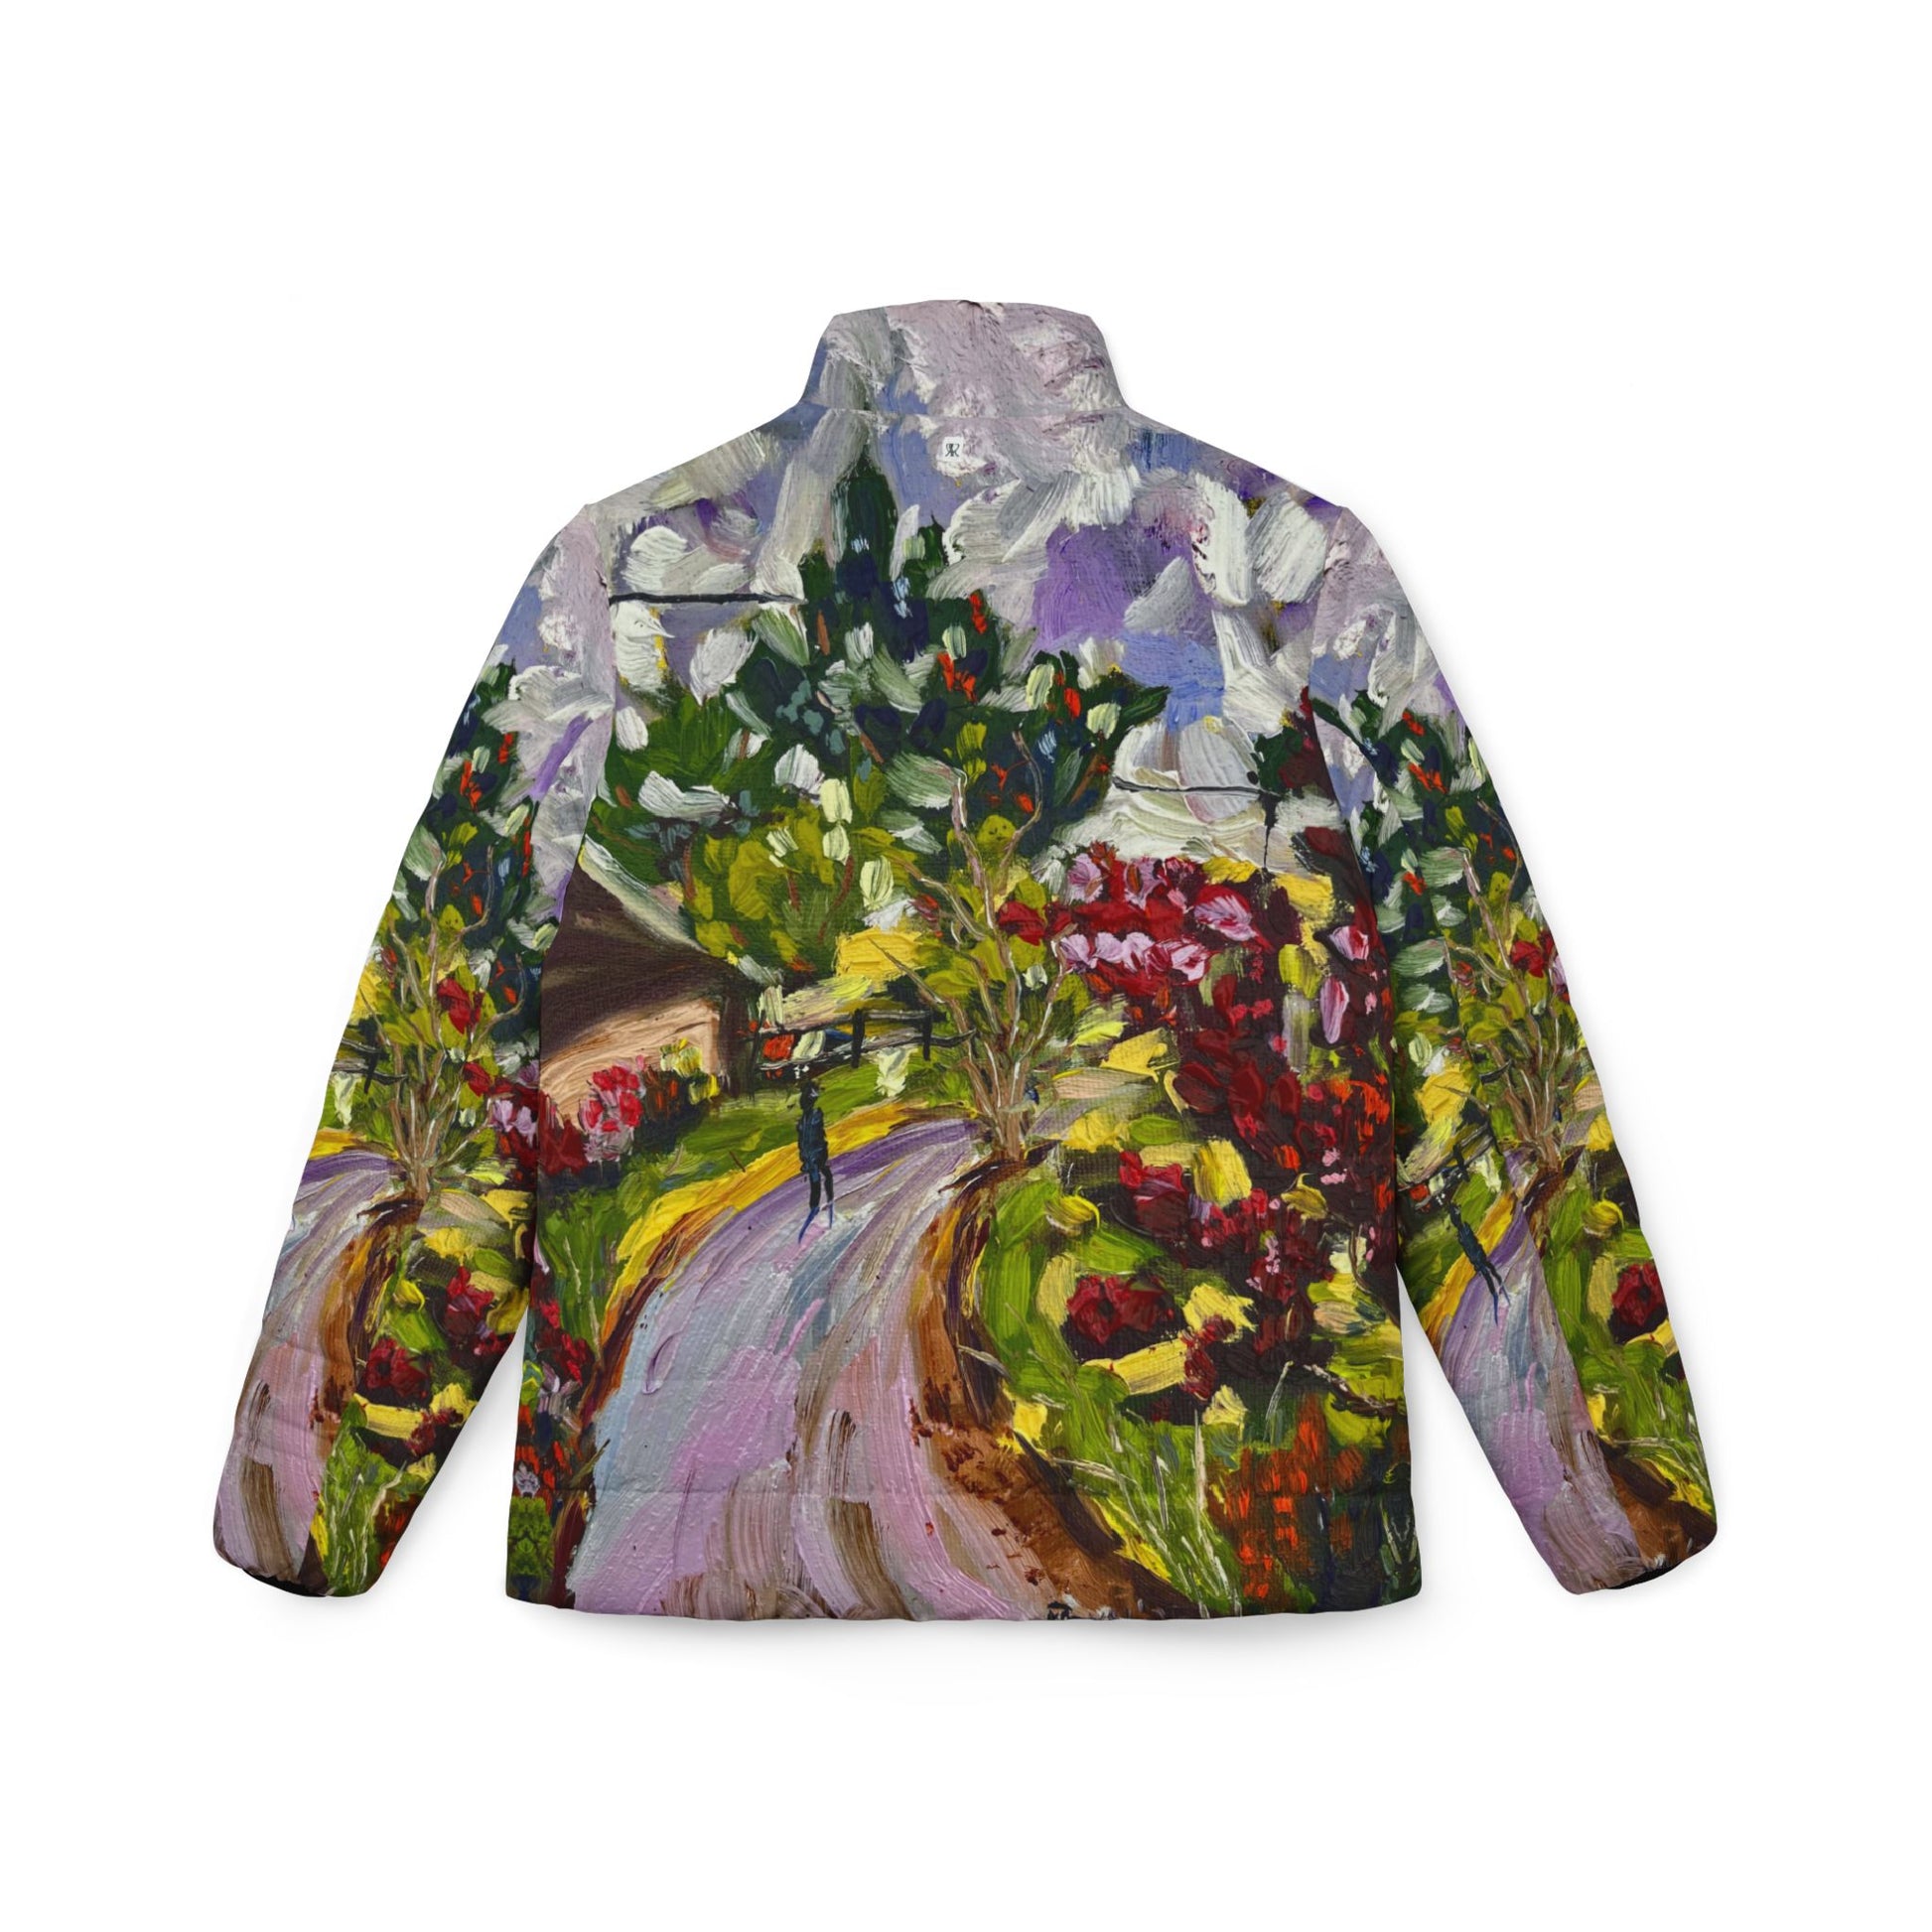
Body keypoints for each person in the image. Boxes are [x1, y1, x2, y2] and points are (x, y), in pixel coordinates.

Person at [796, 1073, 833, 1239]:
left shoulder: (809, 1118)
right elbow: (811, 1136)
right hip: (814, 1151)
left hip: (813, 1151)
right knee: (819, 1175)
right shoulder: (811, 1118)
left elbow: (812, 1136)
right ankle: (817, 1205)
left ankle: (821, 1204)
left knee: (820, 1175)